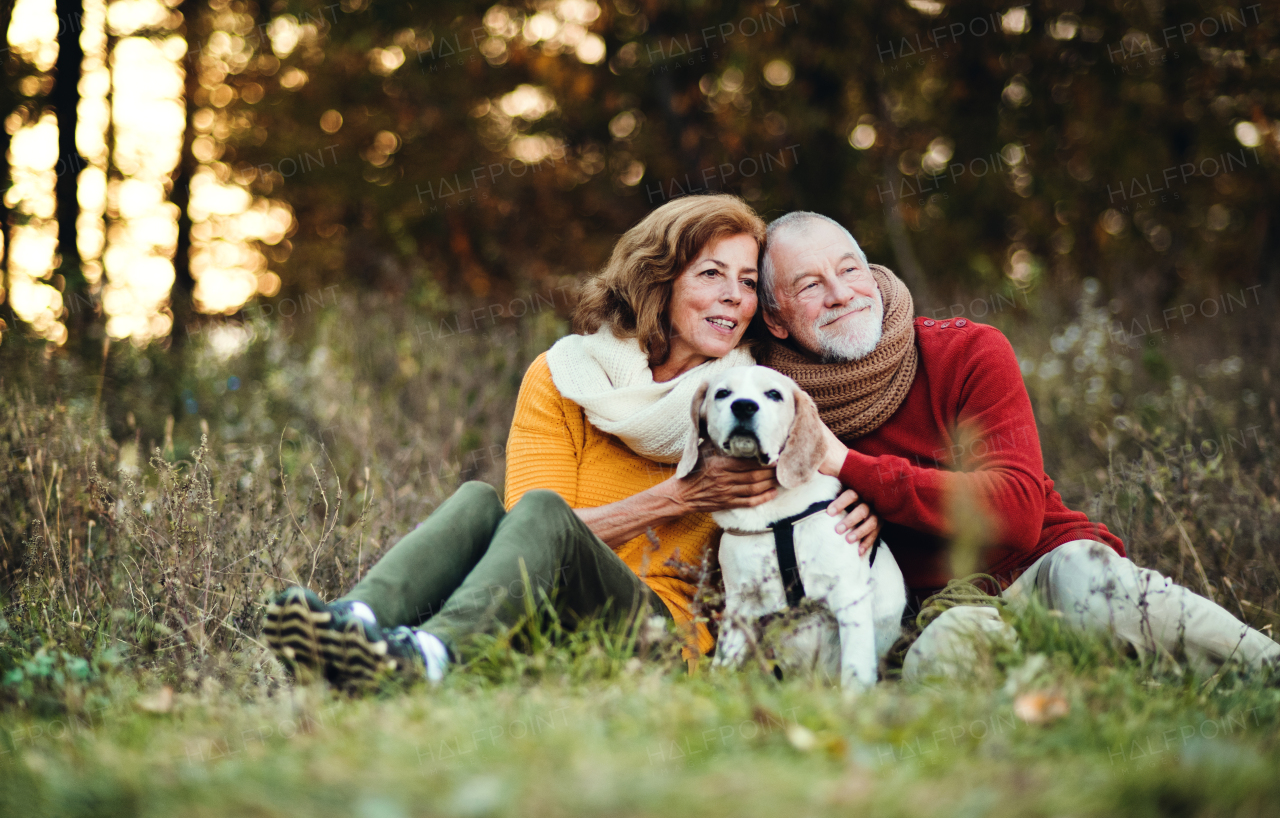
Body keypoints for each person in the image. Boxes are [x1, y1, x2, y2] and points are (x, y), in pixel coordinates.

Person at [263, 195, 879, 688]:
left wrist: (861, 507)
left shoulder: (756, 399)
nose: (734, 296)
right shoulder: (566, 377)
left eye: (747, 282)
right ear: (657, 281)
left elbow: (835, 453)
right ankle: (352, 623)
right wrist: (680, 496)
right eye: (711, 274)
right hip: (542, 609)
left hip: (659, 637)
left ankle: (426, 655)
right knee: (484, 502)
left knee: (534, 515)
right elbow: (531, 529)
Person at [755, 210, 1280, 681]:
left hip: (1040, 564)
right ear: (776, 320)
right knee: (941, 660)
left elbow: (1017, 509)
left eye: (850, 269)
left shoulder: (966, 350)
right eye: (809, 286)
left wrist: (851, 467)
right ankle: (1067, 714)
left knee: (1090, 582)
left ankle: (1265, 669)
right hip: (942, 608)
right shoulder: (768, 405)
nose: (841, 293)